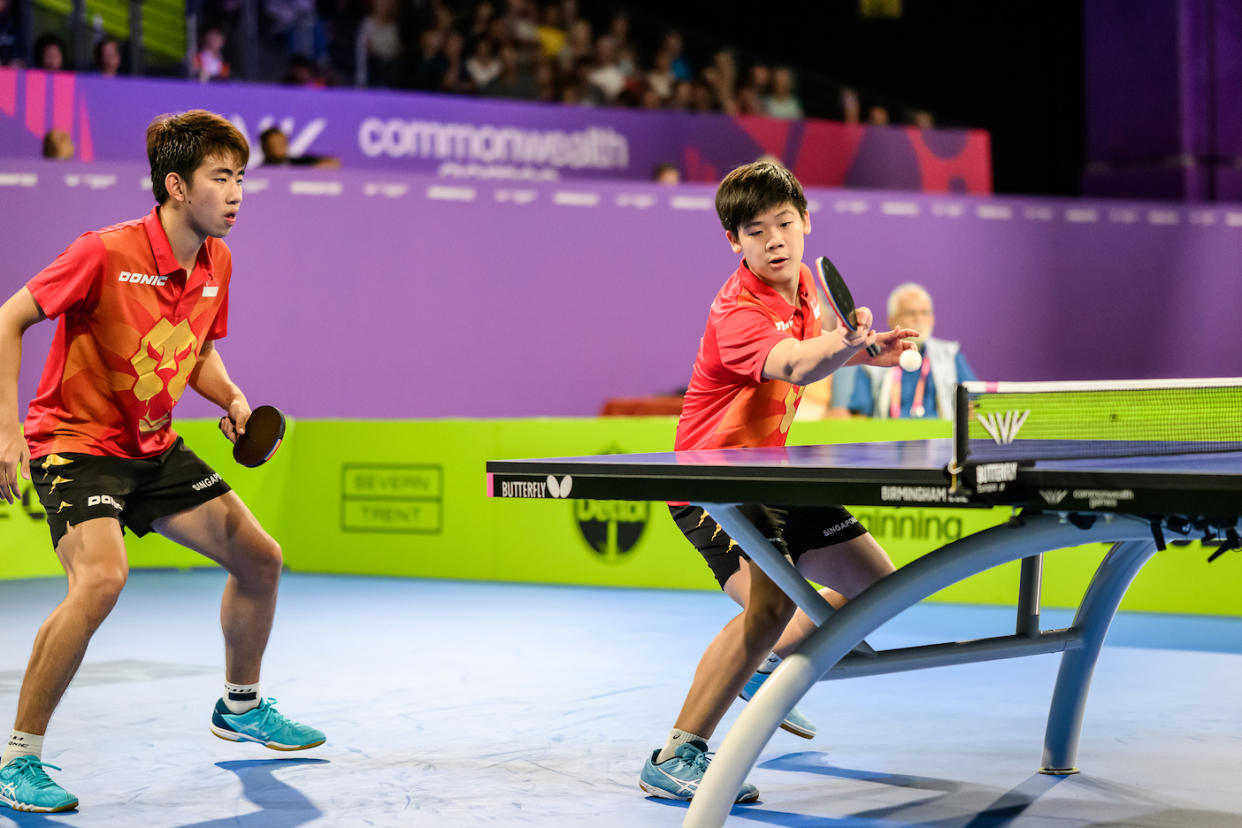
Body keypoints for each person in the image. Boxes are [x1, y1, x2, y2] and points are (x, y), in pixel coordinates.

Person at [0, 109, 324, 814]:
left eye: (240, 177)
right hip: (76, 446)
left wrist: (232, 397)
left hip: (151, 446)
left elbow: (196, 347)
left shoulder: (217, 262)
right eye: (220, 178)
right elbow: (10, 317)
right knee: (101, 580)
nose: (236, 193)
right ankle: (17, 760)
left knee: (261, 559)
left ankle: (240, 706)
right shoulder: (104, 252)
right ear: (176, 186)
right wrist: (5, 429)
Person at [639, 161, 917, 803]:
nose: (774, 240)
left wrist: (859, 349)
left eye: (785, 223)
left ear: (806, 223)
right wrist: (839, 345)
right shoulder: (735, 312)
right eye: (755, 230)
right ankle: (676, 755)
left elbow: (814, 352)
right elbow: (793, 362)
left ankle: (762, 662)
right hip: (717, 484)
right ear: (733, 241)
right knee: (770, 605)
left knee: (880, 588)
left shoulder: (804, 293)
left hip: (775, 471)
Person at [845, 282, 976, 420]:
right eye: (910, 313)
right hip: (888, 438)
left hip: (940, 438)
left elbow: (973, 402)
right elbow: (859, 415)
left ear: (932, 319)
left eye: (924, 313)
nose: (918, 319)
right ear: (892, 320)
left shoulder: (950, 355)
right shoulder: (871, 359)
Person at [258, 125, 339, 168]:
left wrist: (304, 173)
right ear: (264, 147)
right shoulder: (260, 172)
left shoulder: (300, 163)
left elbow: (334, 163)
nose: (277, 147)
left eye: (281, 143)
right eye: (272, 144)